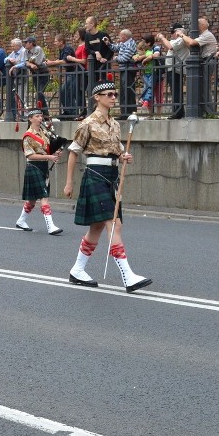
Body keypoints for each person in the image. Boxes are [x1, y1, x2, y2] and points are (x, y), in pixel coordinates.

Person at [63, 83, 152, 293]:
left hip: (111, 176)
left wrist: (124, 156)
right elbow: (74, 152)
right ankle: (128, 276)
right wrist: (69, 182)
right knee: (115, 225)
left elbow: (116, 151)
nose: (113, 97)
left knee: (97, 227)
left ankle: (77, 270)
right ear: (97, 97)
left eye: (115, 94)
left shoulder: (115, 124)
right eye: (109, 94)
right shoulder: (87, 123)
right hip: (94, 175)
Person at [15, 109, 63, 235]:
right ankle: (50, 226)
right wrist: (49, 157)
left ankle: (21, 221)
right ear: (30, 119)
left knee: (31, 200)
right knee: (43, 196)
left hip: (43, 167)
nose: (40, 118)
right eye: (37, 116)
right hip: (33, 167)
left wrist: (54, 153)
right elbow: (29, 156)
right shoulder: (28, 136)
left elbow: (46, 150)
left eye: (41, 116)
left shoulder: (44, 132)